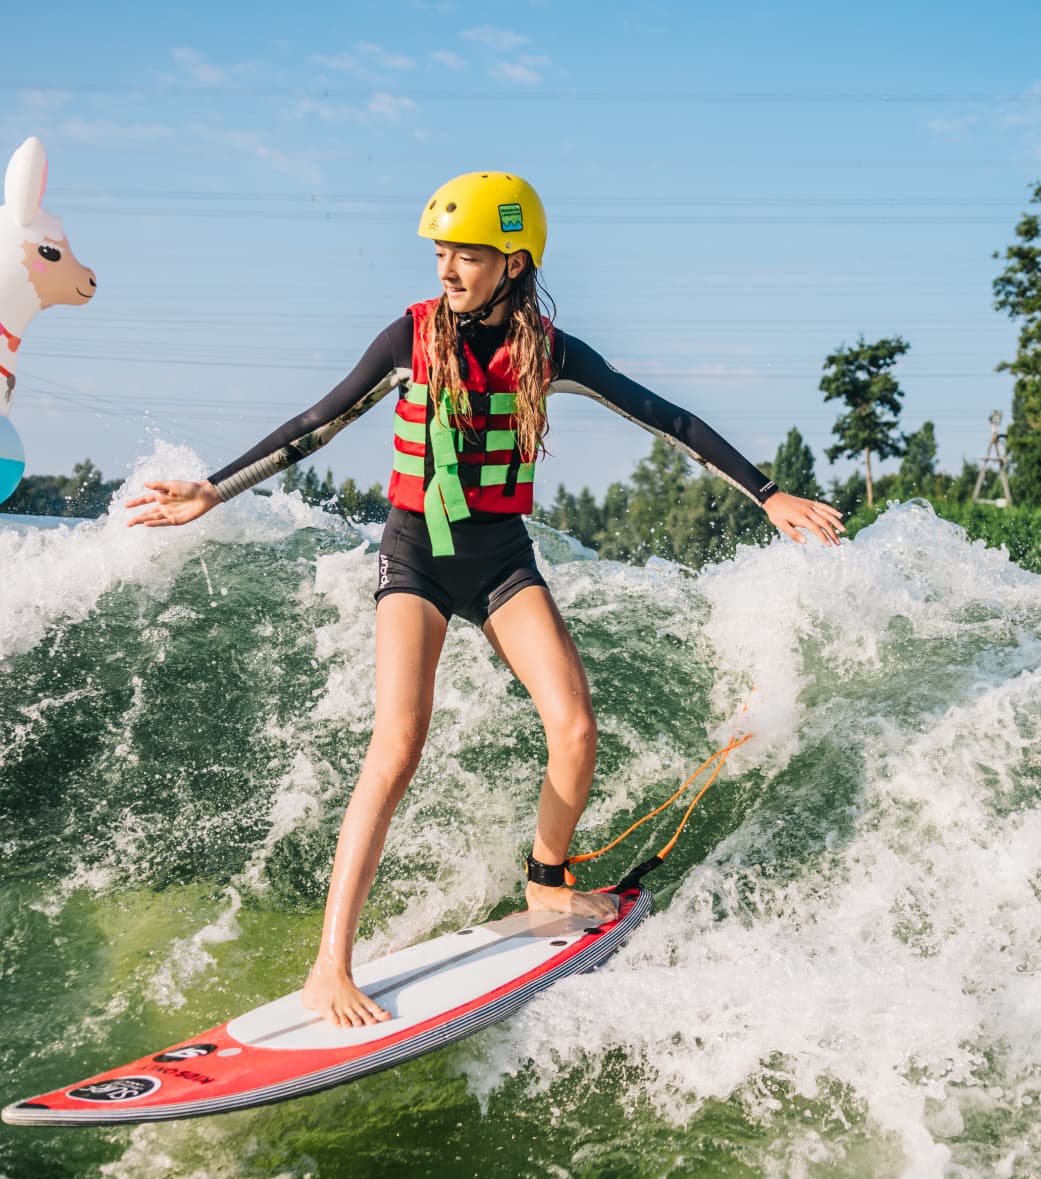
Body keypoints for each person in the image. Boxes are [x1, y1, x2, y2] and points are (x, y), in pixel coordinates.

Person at [127, 172, 845, 1027]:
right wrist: (214, 489)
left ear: (514, 262)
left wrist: (768, 494)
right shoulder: (411, 338)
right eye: (441, 253)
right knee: (397, 746)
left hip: (501, 559)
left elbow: (669, 419)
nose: (447, 269)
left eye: (466, 255)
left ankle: (547, 881)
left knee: (574, 726)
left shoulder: (552, 351)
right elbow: (315, 424)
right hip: (417, 558)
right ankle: (329, 966)